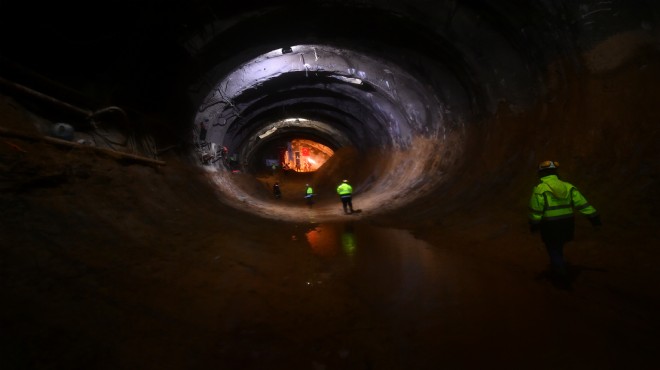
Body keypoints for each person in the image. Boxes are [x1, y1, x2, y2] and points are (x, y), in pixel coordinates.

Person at [528, 160, 602, 284]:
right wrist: (594, 219)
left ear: (541, 173)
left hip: (550, 225)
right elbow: (582, 204)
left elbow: (536, 210)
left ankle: (561, 276)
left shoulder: (539, 189)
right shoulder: (568, 186)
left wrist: (534, 224)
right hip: (567, 224)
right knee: (559, 246)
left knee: (553, 249)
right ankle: (559, 267)